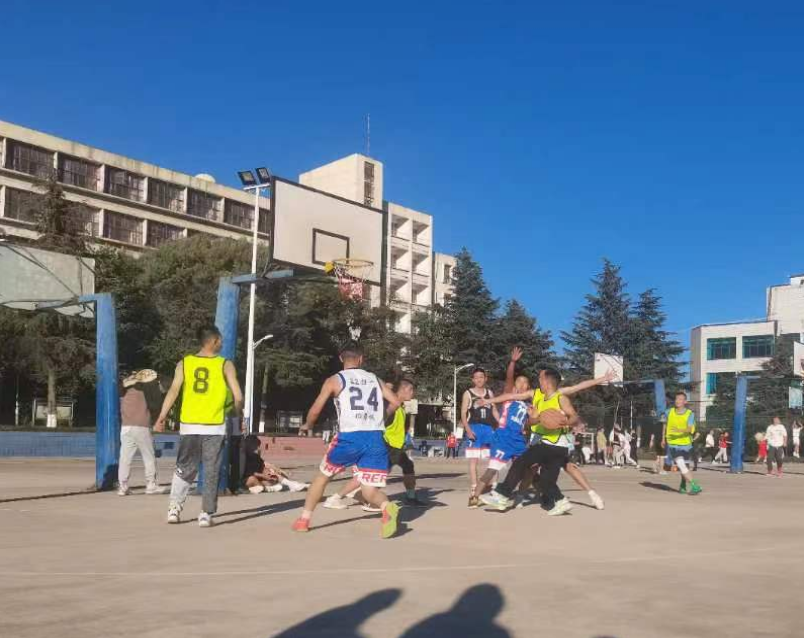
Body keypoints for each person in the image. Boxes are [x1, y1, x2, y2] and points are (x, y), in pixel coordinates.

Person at [292, 342, 402, 538]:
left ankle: (304, 520)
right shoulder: (375, 379)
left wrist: (307, 425)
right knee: (368, 490)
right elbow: (395, 401)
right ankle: (386, 506)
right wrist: (381, 418)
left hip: (350, 437)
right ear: (361, 359)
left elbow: (316, 409)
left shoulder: (335, 380)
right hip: (375, 438)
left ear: (341, 358)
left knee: (322, 477)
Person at [155, 325, 244, 528]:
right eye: (220, 340)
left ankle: (174, 509)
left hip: (189, 424)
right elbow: (238, 396)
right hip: (214, 426)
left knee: (184, 467)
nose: (222, 343)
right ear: (214, 341)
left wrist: (162, 416)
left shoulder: (184, 363)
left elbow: (174, 390)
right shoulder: (225, 364)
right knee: (211, 470)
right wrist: (238, 416)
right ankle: (205, 514)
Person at [479, 367, 580, 515]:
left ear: (547, 382)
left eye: (541, 379)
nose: (538, 381)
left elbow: (574, 416)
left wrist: (566, 422)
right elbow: (529, 417)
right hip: (549, 444)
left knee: (520, 462)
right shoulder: (539, 399)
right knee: (546, 480)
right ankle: (561, 501)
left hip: (556, 445)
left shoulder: (560, 398)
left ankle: (502, 495)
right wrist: (534, 417)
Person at [324, 379, 427, 510]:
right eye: (411, 390)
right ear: (403, 390)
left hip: (394, 448)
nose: (413, 393)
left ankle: (408, 497)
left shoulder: (400, 407)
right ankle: (340, 497)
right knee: (367, 476)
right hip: (386, 447)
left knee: (404, 467)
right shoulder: (391, 406)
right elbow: (378, 423)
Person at [117, 369, 165, 496]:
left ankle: (122, 486)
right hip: (142, 426)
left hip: (126, 427)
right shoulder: (145, 389)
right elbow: (155, 405)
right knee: (149, 456)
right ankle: (151, 485)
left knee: (125, 458)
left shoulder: (124, 389)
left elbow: (121, 386)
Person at [461, 367, 498, 507]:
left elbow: (494, 410)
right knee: (473, 461)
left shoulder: (489, 393)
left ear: (485, 378)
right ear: (473, 379)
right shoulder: (468, 393)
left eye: (481, 377)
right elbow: (463, 413)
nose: (479, 379)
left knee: (493, 459)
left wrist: (501, 424)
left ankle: (494, 488)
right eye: (476, 377)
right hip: (474, 428)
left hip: (488, 429)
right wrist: (468, 430)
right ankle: (474, 488)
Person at [662, 391, 702, 495]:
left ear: (685, 401)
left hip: (686, 444)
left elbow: (689, 429)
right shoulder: (668, 412)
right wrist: (663, 438)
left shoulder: (690, 414)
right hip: (673, 444)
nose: (677, 401)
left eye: (680, 399)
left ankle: (683, 485)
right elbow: (664, 425)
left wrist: (679, 430)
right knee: (681, 464)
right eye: (676, 399)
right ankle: (695, 485)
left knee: (684, 466)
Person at [242, 435, 309, 493]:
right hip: (247, 479)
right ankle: (269, 488)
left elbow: (266, 464)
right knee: (253, 479)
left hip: (258, 478)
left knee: (271, 475)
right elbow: (251, 473)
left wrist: (280, 471)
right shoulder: (246, 456)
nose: (259, 448)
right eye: (256, 446)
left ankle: (291, 484)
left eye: (258, 446)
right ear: (250, 446)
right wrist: (264, 476)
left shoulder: (256, 456)